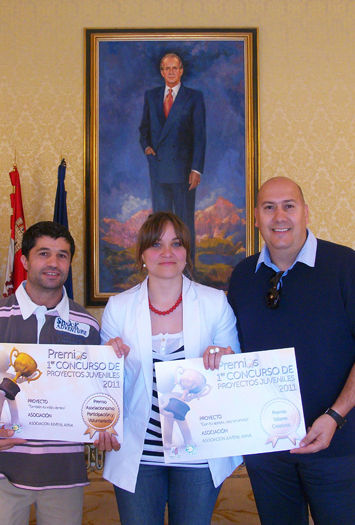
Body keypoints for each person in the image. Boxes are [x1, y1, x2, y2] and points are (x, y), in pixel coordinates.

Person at [227, 177, 355, 524]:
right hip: (267, 448)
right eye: (268, 207)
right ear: (256, 218)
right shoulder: (242, 276)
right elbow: (235, 354)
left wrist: (335, 416)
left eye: (289, 205)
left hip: (335, 443)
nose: (279, 216)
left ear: (306, 213)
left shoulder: (346, 266)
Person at [0, 222, 101, 525]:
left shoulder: (87, 326)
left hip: (64, 474)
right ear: (25, 261)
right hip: (3, 469)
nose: (54, 263)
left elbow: (96, 396)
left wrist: (105, 422)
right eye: (44, 253)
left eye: (62, 255)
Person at [94, 211, 242, 524]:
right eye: (156, 244)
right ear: (142, 254)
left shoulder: (215, 302)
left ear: (187, 253)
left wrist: (224, 359)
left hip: (198, 451)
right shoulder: (118, 307)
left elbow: (233, 375)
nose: (167, 253)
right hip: (138, 452)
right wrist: (106, 361)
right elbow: (106, 388)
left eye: (176, 244)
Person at [139, 53, 206, 263]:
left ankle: (188, 270)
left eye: (174, 68)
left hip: (184, 171)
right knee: (160, 224)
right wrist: (147, 147)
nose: (170, 72)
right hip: (158, 169)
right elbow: (144, 129)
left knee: (184, 223)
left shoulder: (193, 97)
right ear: (161, 71)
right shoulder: (151, 95)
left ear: (181, 70)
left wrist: (196, 169)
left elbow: (199, 136)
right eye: (166, 68)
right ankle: (161, 267)